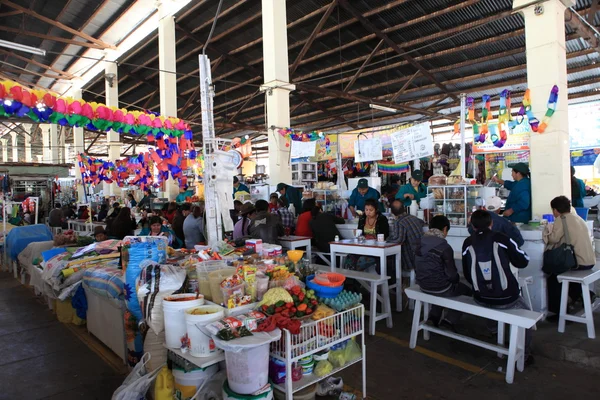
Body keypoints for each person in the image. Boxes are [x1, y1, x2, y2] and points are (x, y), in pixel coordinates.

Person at [462, 210, 533, 363]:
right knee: (528, 317)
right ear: (491, 223)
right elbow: (523, 261)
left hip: (480, 297)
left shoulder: (467, 243)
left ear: (472, 226)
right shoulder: (502, 239)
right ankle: (524, 356)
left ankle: (493, 330)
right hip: (507, 298)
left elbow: (467, 274)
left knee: (487, 298)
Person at [543, 196, 596, 317]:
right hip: (589, 260)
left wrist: (547, 230)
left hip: (578, 262)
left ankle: (561, 313)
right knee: (564, 275)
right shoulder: (578, 217)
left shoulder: (562, 219)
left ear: (555, 210)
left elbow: (553, 239)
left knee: (553, 277)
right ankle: (582, 295)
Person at [415, 215, 471, 328]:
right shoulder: (444, 247)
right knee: (467, 291)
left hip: (422, 285)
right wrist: (456, 280)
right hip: (441, 287)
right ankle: (449, 320)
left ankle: (433, 317)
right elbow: (452, 275)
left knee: (440, 284)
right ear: (445, 229)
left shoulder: (419, 242)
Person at [344, 199, 389, 271]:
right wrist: (357, 234)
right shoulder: (362, 218)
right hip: (363, 247)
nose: (368, 212)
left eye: (371, 210)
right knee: (349, 258)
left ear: (376, 210)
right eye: (366, 210)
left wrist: (374, 237)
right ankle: (351, 279)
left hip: (376, 249)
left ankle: (358, 279)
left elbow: (385, 234)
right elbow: (360, 233)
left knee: (360, 261)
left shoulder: (382, 219)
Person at [387, 200, 425, 272]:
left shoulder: (399, 222)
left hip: (411, 257)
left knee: (390, 258)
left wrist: (386, 240)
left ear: (392, 212)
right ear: (404, 208)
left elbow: (398, 240)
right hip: (421, 253)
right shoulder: (413, 217)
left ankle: (396, 280)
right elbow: (422, 222)